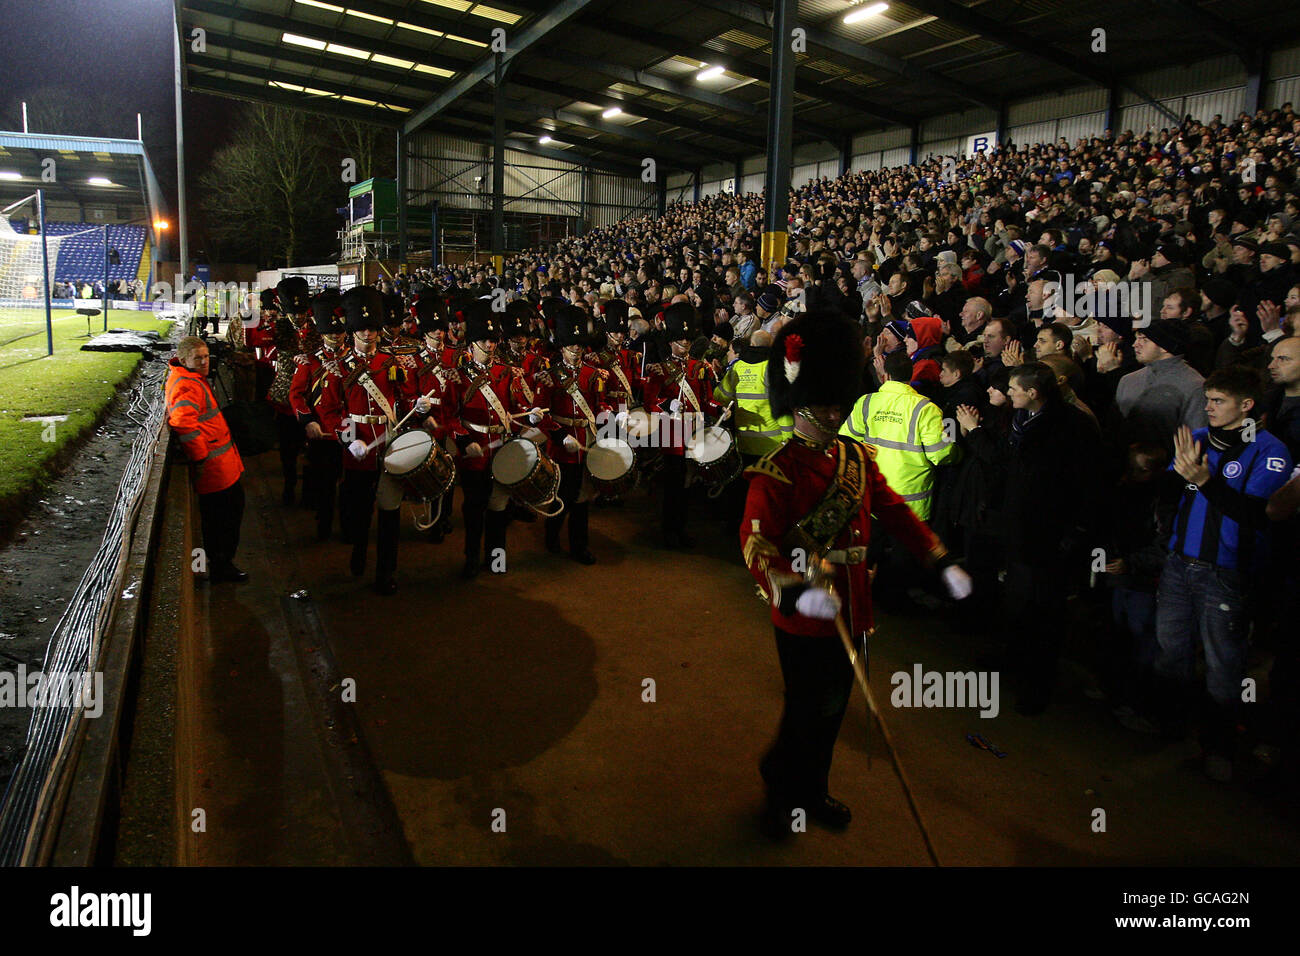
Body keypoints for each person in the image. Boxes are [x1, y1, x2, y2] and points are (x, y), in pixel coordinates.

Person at [739, 310, 971, 837]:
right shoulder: (780, 468)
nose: (835, 409)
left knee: (834, 708)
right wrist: (794, 591)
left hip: (854, 602)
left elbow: (893, 511)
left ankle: (812, 788)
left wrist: (939, 556)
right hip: (805, 609)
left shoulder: (855, 457)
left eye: (836, 400)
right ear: (802, 404)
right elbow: (755, 544)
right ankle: (781, 790)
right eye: (825, 401)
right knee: (805, 709)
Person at [1156, 365, 1294, 781]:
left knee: (1223, 666)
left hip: (1227, 573)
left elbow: (1257, 515)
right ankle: (1173, 725)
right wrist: (1178, 479)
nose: (1209, 407)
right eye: (1209, 399)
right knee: (1171, 649)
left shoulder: (1270, 451)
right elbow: (1167, 493)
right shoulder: (1197, 440)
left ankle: (1219, 746)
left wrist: (1206, 482)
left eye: (1219, 401)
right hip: (1179, 564)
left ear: (1246, 405)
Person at [317, 286, 425, 595]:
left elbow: (404, 398)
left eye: (373, 327)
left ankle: (386, 571)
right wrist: (348, 439)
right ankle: (359, 553)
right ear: (352, 330)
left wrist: (416, 404)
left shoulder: (392, 362)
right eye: (363, 327)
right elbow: (330, 409)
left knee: (390, 512)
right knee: (360, 512)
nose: (369, 333)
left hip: (389, 443)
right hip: (358, 449)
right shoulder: (338, 367)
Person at [166, 336, 247, 582]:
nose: (204, 362)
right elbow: (183, 422)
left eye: (206, 356)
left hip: (221, 466)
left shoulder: (189, 379)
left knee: (225, 515)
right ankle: (221, 565)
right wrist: (200, 456)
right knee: (223, 519)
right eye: (198, 358)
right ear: (183, 360)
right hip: (215, 469)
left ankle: (221, 562)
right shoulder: (188, 385)